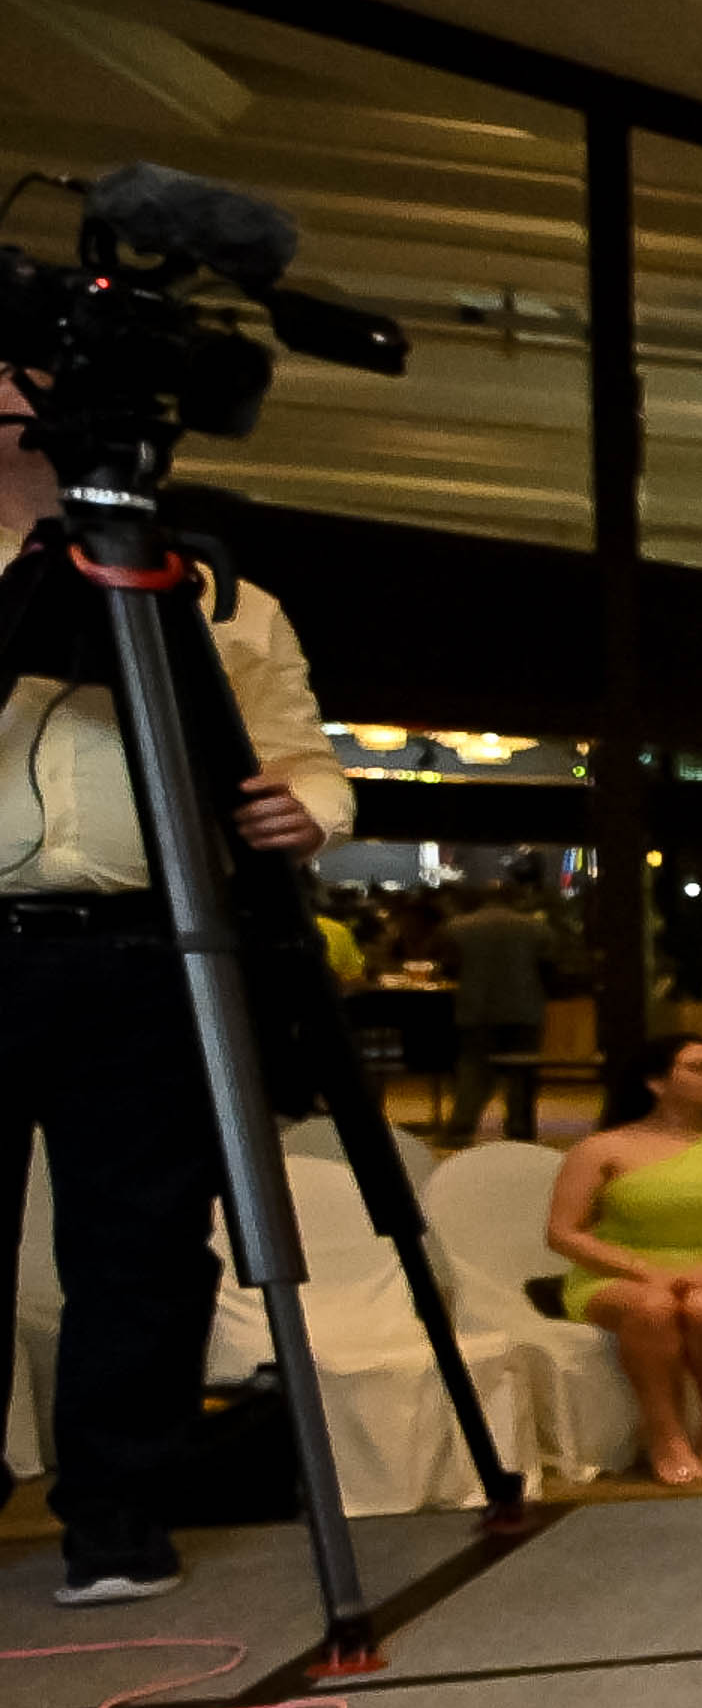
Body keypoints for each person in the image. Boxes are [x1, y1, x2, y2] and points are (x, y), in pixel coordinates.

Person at [0, 413, 359, 1607]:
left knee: (139, 1244)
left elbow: (304, 755)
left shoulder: (213, 585)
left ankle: (118, 1512)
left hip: (152, 949)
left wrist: (311, 811)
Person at [539, 1029, 702, 1481]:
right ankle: (666, 1434)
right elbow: (562, 1233)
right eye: (700, 1067)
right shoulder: (603, 1148)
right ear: (656, 1083)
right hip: (617, 1270)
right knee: (652, 1307)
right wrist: (642, 1270)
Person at [437, 872, 557, 1145]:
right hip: (524, 1007)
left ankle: (461, 1127)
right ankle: (519, 1129)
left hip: (475, 1008)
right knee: (522, 1074)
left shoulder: (459, 926)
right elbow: (549, 965)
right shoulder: (535, 927)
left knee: (473, 1070)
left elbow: (450, 965)